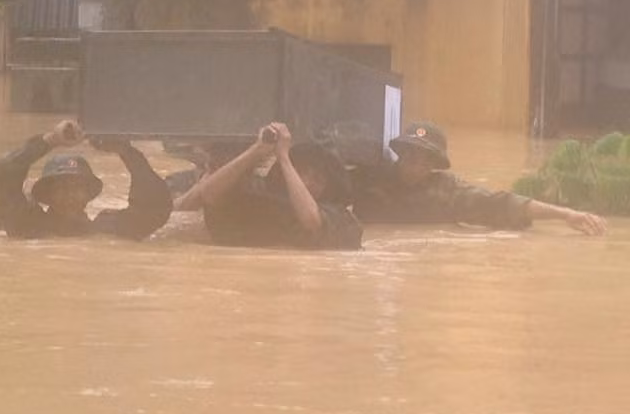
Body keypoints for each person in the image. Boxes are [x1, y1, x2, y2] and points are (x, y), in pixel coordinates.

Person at [351, 121, 608, 235]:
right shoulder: (369, 178)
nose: (415, 162)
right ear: (401, 153)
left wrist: (566, 215)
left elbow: (502, 203)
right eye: (411, 153)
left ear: (434, 165)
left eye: (424, 157)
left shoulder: (447, 193)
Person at [183, 122, 363, 250]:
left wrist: (284, 158)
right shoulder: (264, 200)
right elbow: (209, 195)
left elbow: (312, 221)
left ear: (331, 187)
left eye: (317, 178)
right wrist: (257, 150)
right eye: (302, 172)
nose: (307, 182)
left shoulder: (343, 219)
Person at [0, 120, 173, 240]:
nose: (70, 195)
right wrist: (51, 140)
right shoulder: (28, 224)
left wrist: (126, 151)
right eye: (61, 187)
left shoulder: (109, 228)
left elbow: (156, 207)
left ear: (88, 193)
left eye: (77, 187)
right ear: (47, 194)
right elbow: (1, 176)